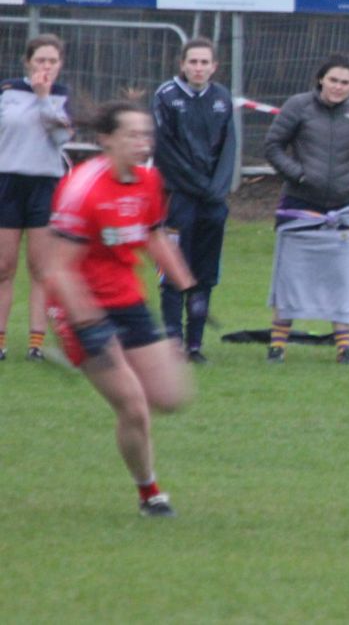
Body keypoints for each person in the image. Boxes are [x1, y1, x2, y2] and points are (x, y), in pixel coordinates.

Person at [43, 101, 198, 517]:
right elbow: (57, 267)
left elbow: (153, 235)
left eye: (146, 135)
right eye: (132, 135)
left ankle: (105, 369)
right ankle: (150, 494)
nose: (142, 143)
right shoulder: (83, 187)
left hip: (127, 299)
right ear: (106, 139)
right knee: (133, 405)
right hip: (81, 308)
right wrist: (87, 324)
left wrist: (187, 284)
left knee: (171, 397)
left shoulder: (149, 180)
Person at [263, 56, 349, 365]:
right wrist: (299, 175)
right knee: (290, 279)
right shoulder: (298, 106)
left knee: (341, 280)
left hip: (341, 211)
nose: (338, 87)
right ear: (321, 79)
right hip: (299, 208)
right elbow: (273, 146)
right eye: (333, 80)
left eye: (345, 82)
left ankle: (344, 348)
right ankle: (277, 346)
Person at [152, 38, 237, 364]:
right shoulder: (166, 97)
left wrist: (217, 188)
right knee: (174, 270)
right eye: (193, 62)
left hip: (211, 200)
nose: (198, 68)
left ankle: (195, 345)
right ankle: (173, 341)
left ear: (214, 66)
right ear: (182, 64)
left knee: (204, 272)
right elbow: (165, 152)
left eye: (205, 62)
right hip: (177, 198)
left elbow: (228, 147)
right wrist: (198, 185)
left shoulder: (222, 98)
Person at [0, 34, 72, 362]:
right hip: (8, 183)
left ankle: (36, 344)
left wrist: (43, 99)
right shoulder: (8, 91)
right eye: (40, 60)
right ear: (28, 62)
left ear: (60, 65)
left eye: (52, 61)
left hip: (45, 185)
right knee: (4, 266)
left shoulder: (60, 97)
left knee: (41, 268)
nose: (45, 66)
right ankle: (0, 341)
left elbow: (59, 137)